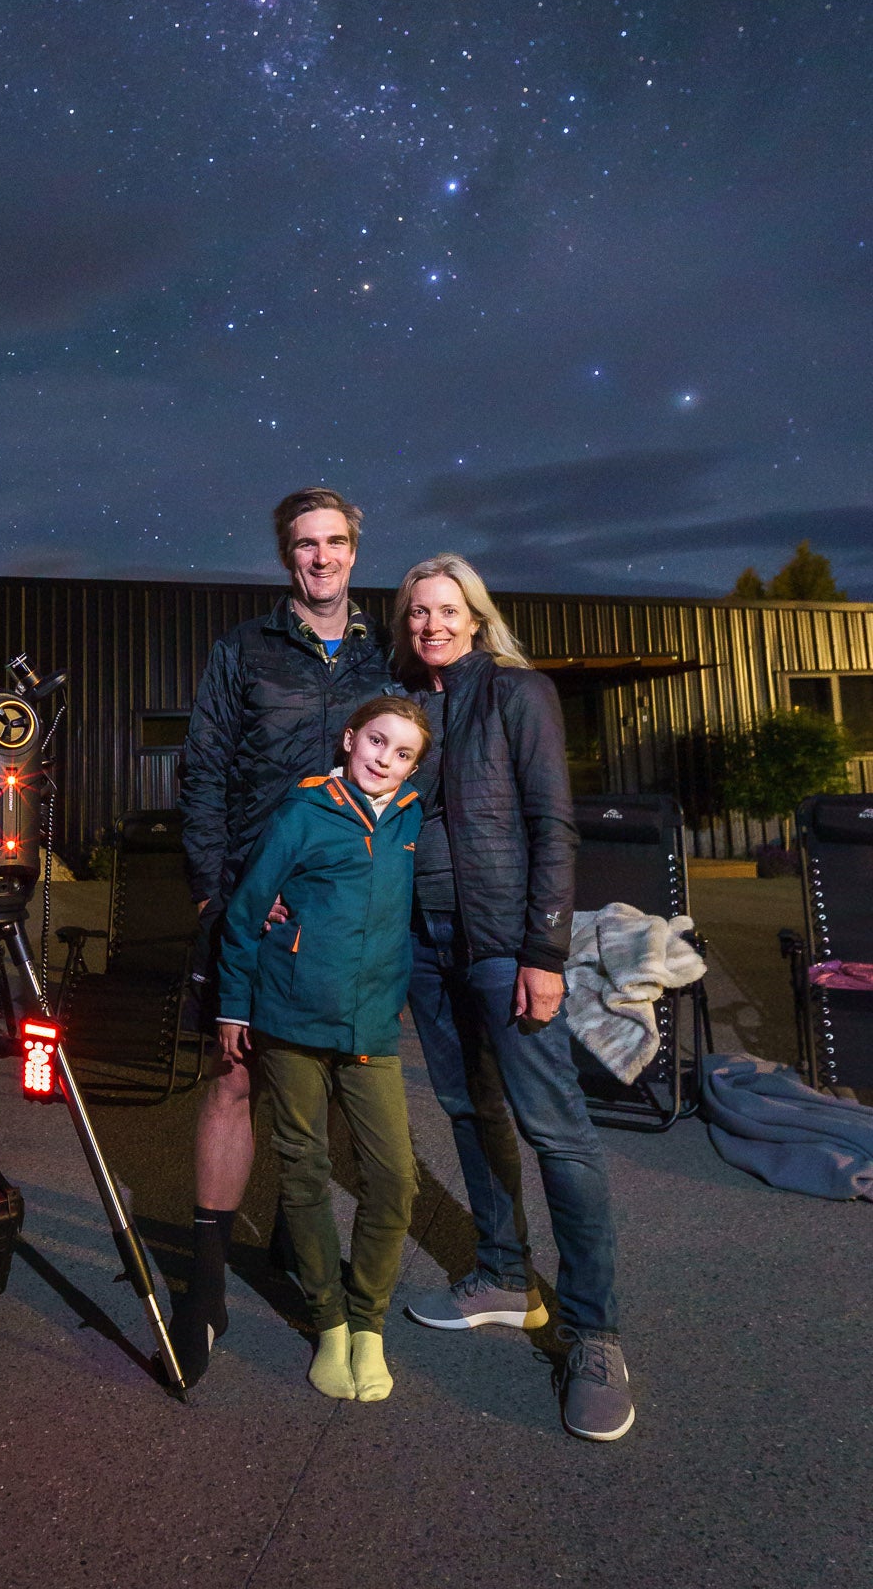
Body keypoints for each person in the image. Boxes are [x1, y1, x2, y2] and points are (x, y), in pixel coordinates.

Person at [395, 553, 635, 1443]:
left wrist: (544, 950)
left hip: (505, 948)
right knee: (467, 1109)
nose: (432, 623)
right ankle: (502, 1275)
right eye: (418, 612)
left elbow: (552, 824)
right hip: (424, 943)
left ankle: (594, 1332)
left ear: (476, 615)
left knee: (557, 1131)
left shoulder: (517, 691)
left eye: (447, 609)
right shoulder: (405, 703)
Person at [176, 487, 393, 1383]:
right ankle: (206, 1282)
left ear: (355, 549)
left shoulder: (389, 655)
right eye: (304, 545)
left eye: (335, 542)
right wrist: (221, 897)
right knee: (233, 1080)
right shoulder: (242, 651)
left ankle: (315, 1265)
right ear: (285, 557)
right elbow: (204, 776)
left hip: (349, 915)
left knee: (340, 1085)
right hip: (254, 908)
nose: (321, 558)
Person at [216, 696, 429, 1401]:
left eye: (402, 753)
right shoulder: (304, 811)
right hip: (291, 1020)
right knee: (304, 1169)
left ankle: (368, 1322)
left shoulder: (412, 819)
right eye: (376, 741)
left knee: (394, 1178)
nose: (384, 760)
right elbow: (247, 913)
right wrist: (234, 1009)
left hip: (370, 1028)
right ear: (348, 739)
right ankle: (329, 1323)